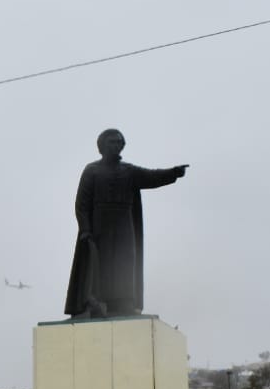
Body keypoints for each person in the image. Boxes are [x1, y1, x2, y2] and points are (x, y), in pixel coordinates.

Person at [63, 128, 187, 318]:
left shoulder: (128, 171)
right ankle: (96, 302)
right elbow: (81, 203)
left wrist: (173, 173)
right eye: (112, 142)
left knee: (124, 261)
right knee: (100, 264)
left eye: (119, 143)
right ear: (102, 146)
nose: (116, 146)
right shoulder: (92, 170)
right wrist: (86, 229)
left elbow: (151, 177)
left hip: (124, 223)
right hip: (99, 224)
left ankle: (123, 301)